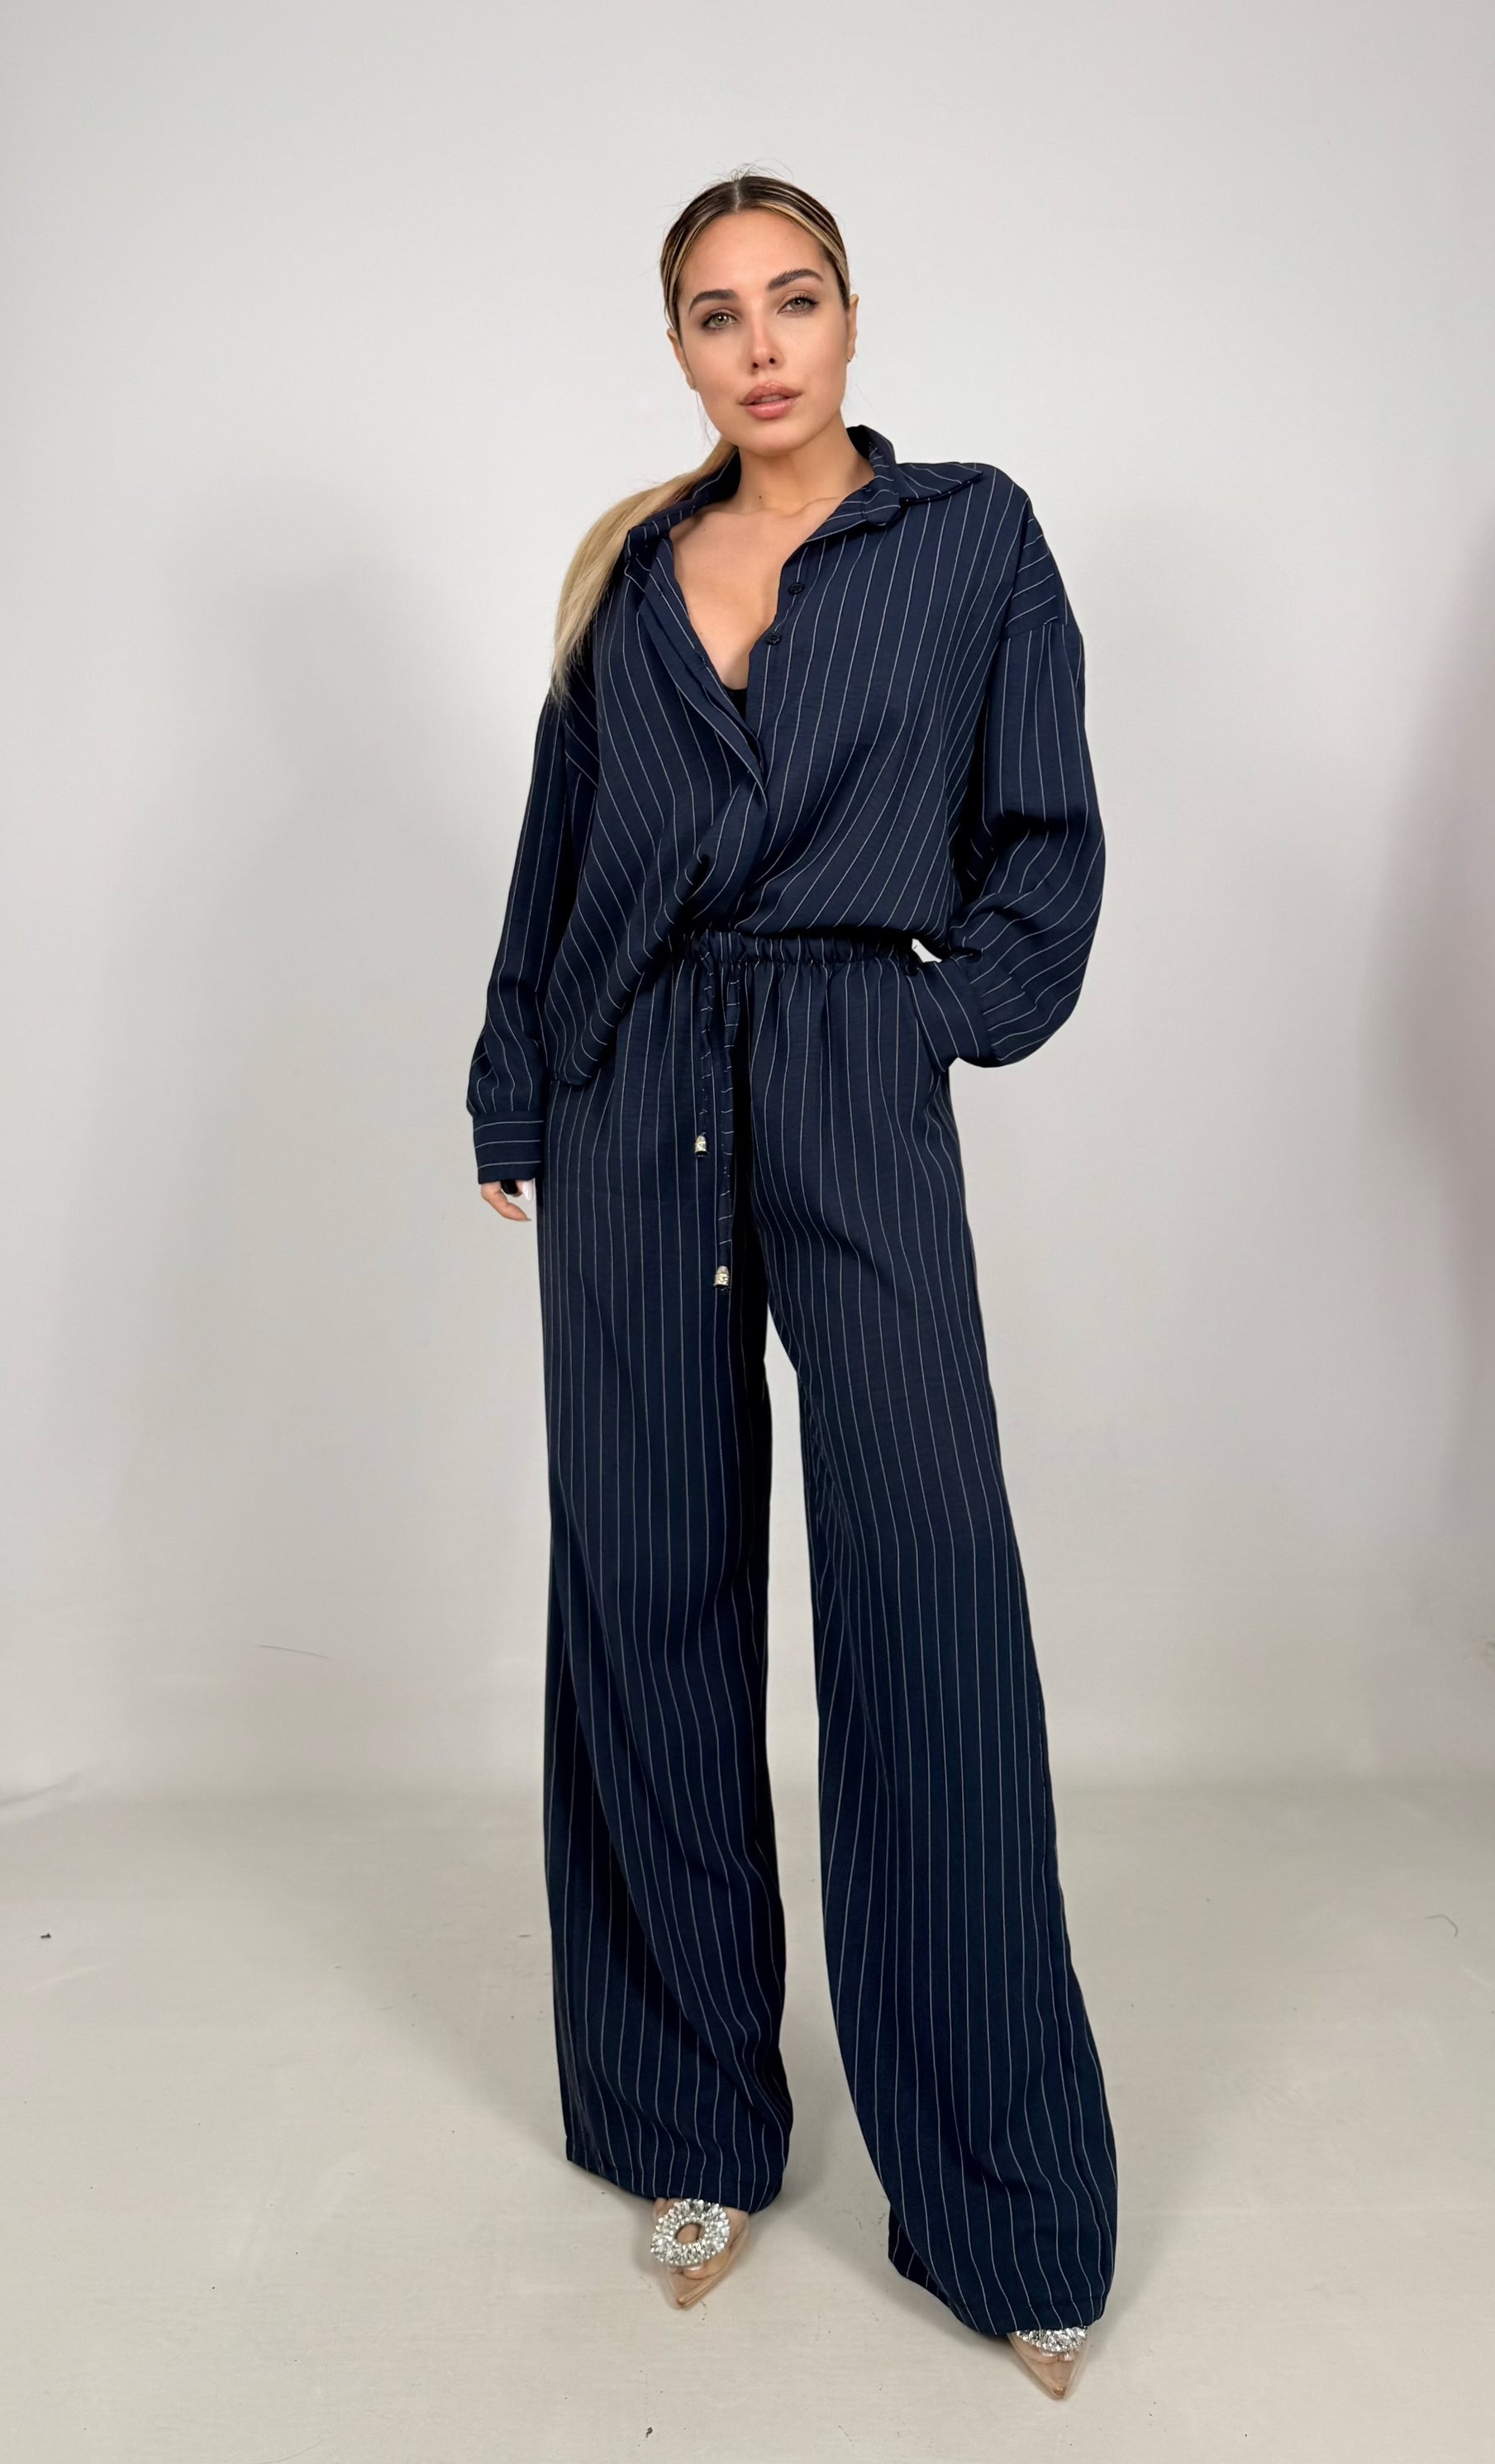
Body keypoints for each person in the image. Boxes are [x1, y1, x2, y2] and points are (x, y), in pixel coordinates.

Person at [467, 170, 1116, 2401]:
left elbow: (1045, 836)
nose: (762, 346)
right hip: (633, 1084)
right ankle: (688, 2123)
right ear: (676, 347)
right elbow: (559, 857)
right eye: (717, 314)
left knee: (931, 1601)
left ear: (851, 318)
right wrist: (516, 1091)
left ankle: (1001, 2202)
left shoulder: (971, 538)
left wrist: (942, 1014)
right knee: (647, 1592)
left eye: (795, 300)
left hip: (851, 1053)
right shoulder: (631, 576)